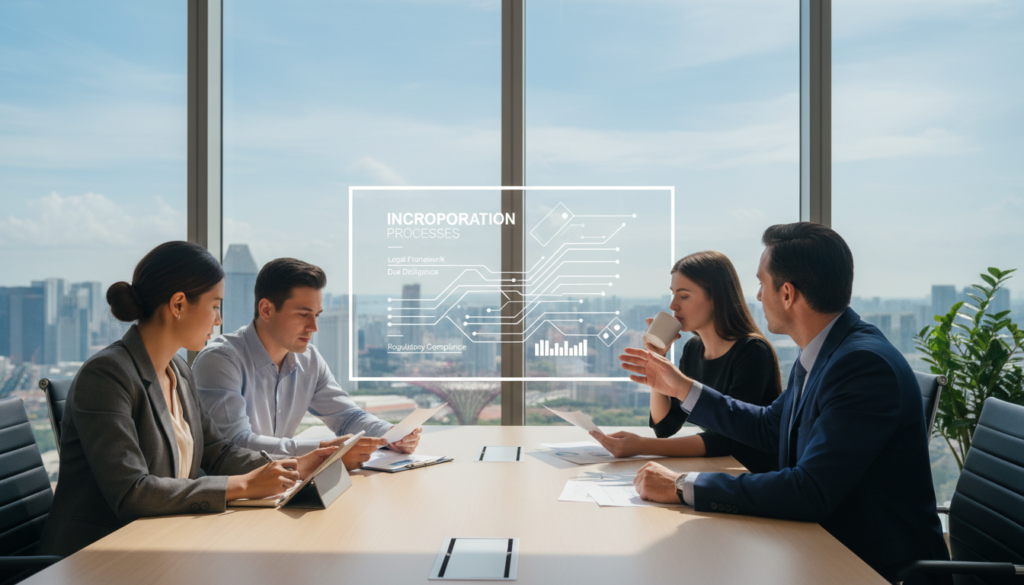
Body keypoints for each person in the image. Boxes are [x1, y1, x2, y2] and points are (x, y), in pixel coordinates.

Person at [619, 223, 951, 585]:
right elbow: (768, 427)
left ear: (788, 293)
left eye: (762, 283)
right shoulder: (825, 352)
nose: (758, 297)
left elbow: (809, 491)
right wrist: (681, 387)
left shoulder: (862, 366)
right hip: (820, 545)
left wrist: (684, 486)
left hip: (871, 567)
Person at [38, 242, 337, 557]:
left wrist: (291, 467)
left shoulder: (177, 369)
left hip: (164, 540)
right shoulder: (107, 375)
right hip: (98, 556)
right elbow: (132, 493)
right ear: (178, 304)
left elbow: (215, 451)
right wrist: (246, 486)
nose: (218, 320)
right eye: (215, 305)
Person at [193, 258, 421, 470]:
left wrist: (390, 435)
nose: (314, 327)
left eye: (317, 315)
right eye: (303, 314)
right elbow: (235, 445)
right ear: (266, 310)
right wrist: (326, 452)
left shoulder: (308, 359)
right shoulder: (220, 361)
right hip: (226, 499)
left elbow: (347, 417)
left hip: (278, 487)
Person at [589, 251, 781, 473]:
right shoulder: (693, 349)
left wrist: (641, 446)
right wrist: (657, 363)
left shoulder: (753, 352)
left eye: (683, 296)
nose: (673, 305)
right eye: (673, 295)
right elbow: (665, 427)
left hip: (751, 477)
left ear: (716, 298)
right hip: (717, 469)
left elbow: (727, 439)